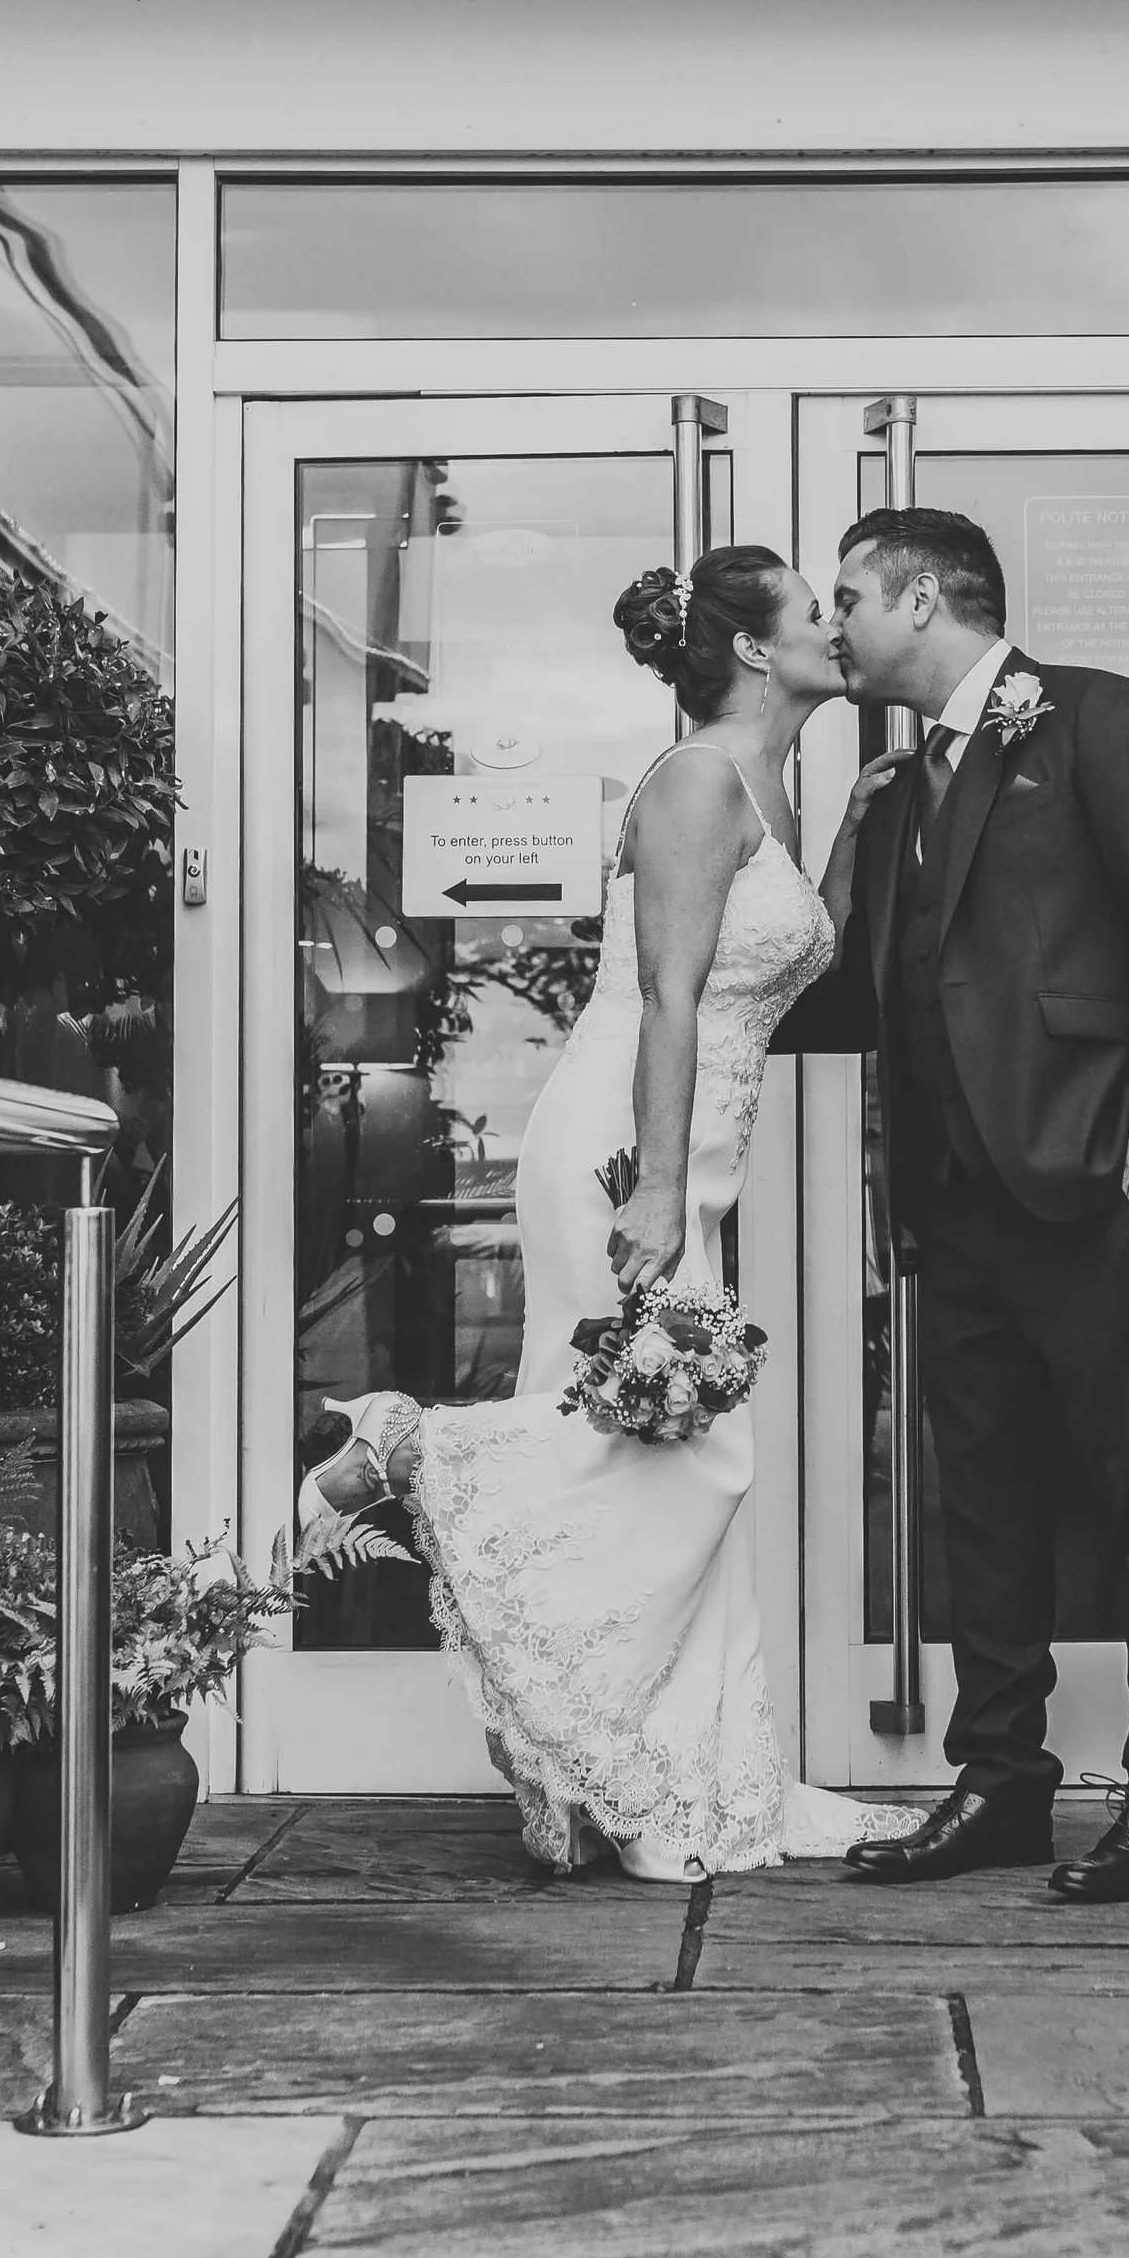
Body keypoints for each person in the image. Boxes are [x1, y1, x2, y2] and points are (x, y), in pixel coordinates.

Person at [297, 544, 913, 1882]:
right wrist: (651, 1188)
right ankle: (403, 1450)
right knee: (677, 1450)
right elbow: (675, 998)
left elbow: (795, 978)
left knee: (660, 1452)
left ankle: (660, 1780)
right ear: (753, 649)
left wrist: (859, 832)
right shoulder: (696, 780)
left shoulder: (770, 786)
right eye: (816, 614)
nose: (836, 632)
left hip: (685, 1158)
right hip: (624, 1152)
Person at [776, 506, 1129, 1902]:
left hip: (1094, 1176)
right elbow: (856, 999)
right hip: (950, 1199)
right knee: (979, 1503)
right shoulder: (904, 789)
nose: (836, 623)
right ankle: (1003, 1783)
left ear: (923, 600)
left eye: (850, 596)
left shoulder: (1103, 720)